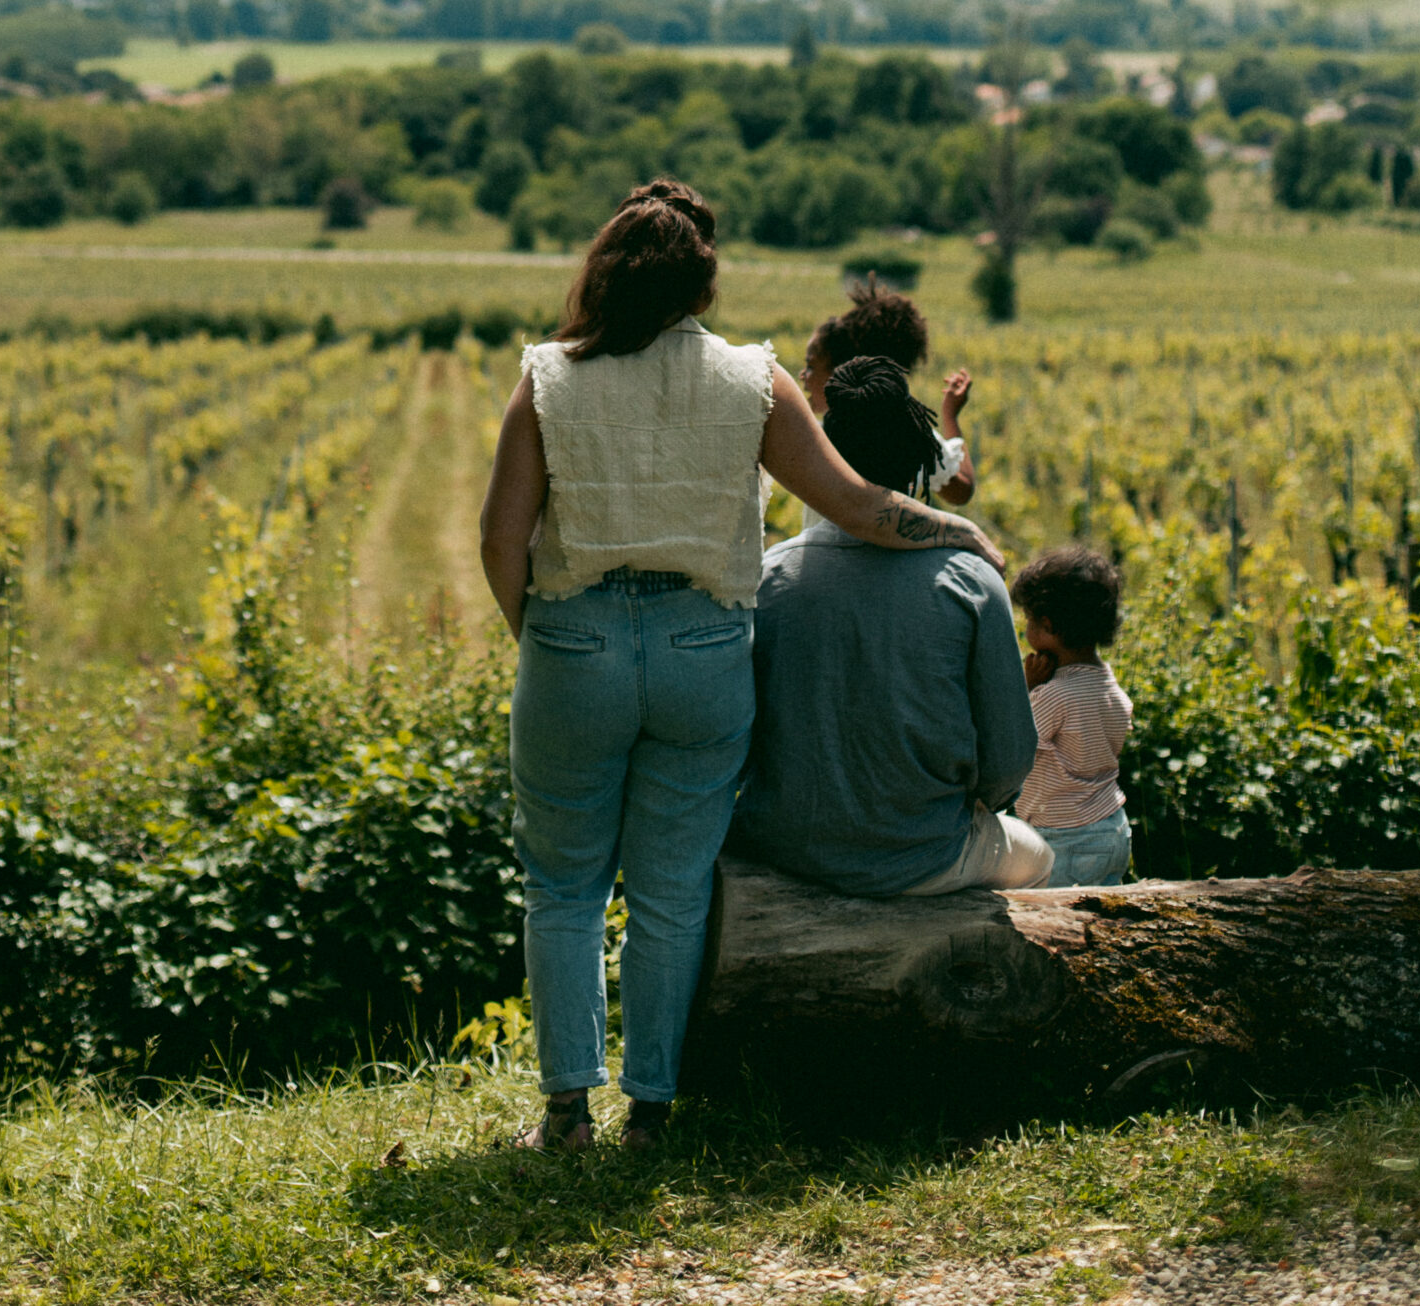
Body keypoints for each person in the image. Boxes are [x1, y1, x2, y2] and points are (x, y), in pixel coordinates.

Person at [478, 180, 1006, 1155]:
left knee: (563, 888)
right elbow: (855, 505)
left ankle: (563, 1115)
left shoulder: (548, 378)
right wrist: (958, 527)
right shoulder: (753, 383)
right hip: (704, 648)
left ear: (602, 274)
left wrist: (547, 638)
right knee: (672, 892)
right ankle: (651, 1109)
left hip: (573, 638)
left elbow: (500, 537)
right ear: (703, 289)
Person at [729, 351, 1052, 896]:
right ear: (917, 459)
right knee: (1040, 859)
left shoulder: (769, 576)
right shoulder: (970, 582)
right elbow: (1008, 761)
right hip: (924, 854)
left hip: (784, 845)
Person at [1010, 546, 1134, 886]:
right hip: (1113, 827)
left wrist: (1027, 686)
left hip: (1065, 840)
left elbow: (1012, 739)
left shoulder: (1051, 696)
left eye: (1029, 624)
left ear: (1047, 627)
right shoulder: (1111, 689)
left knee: (1052, 928)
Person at [801, 278, 974, 504]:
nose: (803, 376)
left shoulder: (814, 435)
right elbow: (962, 489)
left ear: (842, 372)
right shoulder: (909, 431)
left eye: (811, 366)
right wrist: (950, 416)